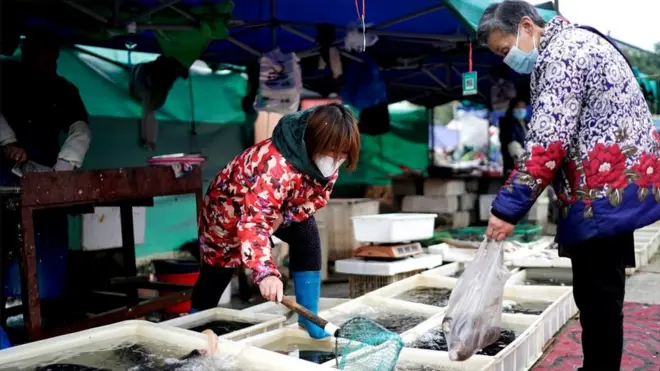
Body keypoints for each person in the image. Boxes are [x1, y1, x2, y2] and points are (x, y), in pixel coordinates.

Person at [477, 2, 660, 370]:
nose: (507, 59)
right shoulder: (581, 41)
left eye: (504, 49)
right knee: (601, 294)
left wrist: (507, 208)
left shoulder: (562, 54)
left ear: (527, 26)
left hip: (601, 193)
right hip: (617, 188)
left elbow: (548, 141)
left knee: (598, 296)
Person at [192, 103, 360, 339]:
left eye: (343, 154)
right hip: (227, 213)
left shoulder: (327, 163)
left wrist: (285, 217)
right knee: (218, 271)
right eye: (332, 152)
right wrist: (266, 273)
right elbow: (254, 224)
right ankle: (195, 327)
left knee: (307, 231)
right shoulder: (275, 167)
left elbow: (319, 197)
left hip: (275, 210)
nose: (336, 160)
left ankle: (310, 320)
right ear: (312, 141)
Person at [0, 27, 91, 343]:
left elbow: (80, 128)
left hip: (46, 180)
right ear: (24, 55)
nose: (42, 65)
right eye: (35, 58)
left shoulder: (64, 90)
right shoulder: (5, 76)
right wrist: (8, 143)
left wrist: (64, 167)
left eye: (48, 60)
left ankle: (47, 326)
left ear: (55, 59)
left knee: (48, 253)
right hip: (6, 176)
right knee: (6, 248)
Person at [498, 97, 529, 176]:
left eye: (523, 107)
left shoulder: (525, 123)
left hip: (526, 163)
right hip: (513, 164)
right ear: (513, 108)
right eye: (519, 107)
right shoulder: (508, 123)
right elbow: (512, 145)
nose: (522, 110)